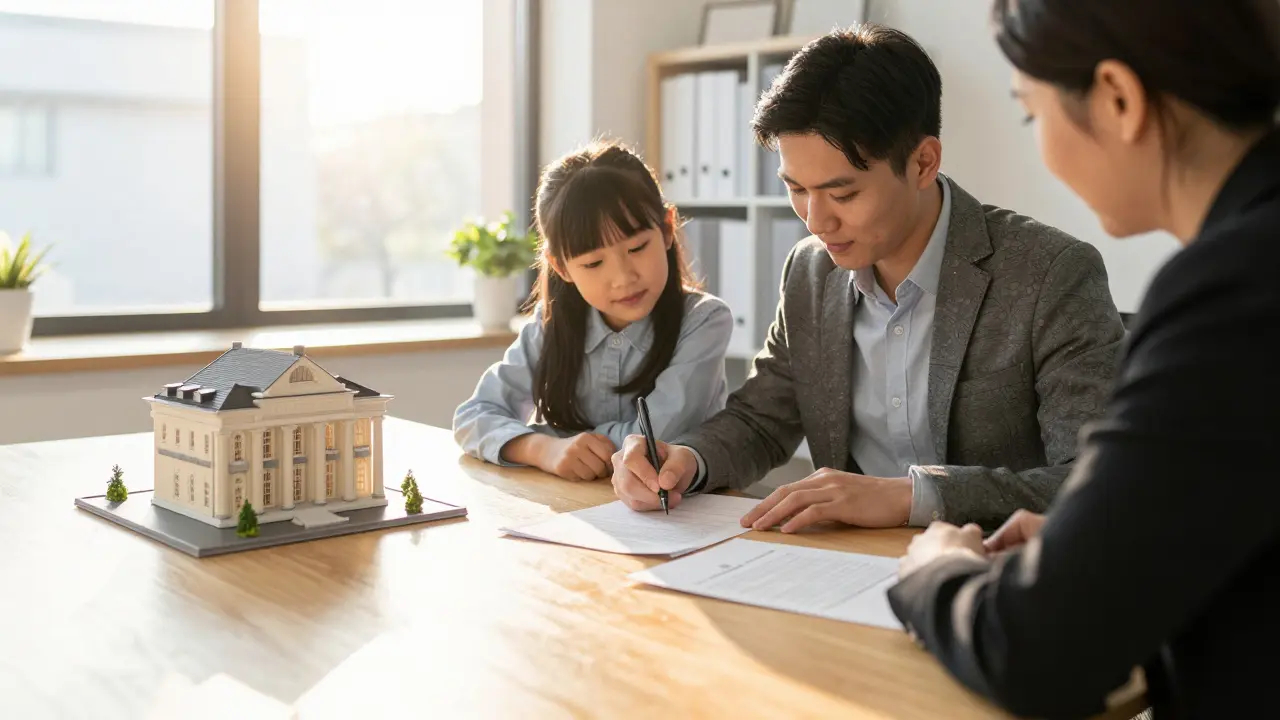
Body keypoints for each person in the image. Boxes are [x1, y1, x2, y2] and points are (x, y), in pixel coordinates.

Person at [889, 0, 1280, 716]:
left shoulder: (1232, 293)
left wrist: (936, 569)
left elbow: (1037, 650)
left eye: (1032, 113)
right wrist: (1107, 541)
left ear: (1119, 99)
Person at [610, 24, 1126, 531]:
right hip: (847, 572)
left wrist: (912, 498)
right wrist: (685, 459)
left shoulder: (1050, 274)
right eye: (796, 189)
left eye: (843, 194)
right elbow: (761, 420)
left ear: (923, 163)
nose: (815, 221)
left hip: (993, 575)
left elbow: (1097, 480)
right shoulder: (809, 271)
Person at [453, 140, 733, 482]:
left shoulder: (704, 321)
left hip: (683, 514)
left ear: (667, 229)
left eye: (637, 247)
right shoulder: (549, 326)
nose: (623, 278)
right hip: (580, 509)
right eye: (594, 262)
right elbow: (473, 417)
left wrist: (561, 439)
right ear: (563, 268)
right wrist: (544, 450)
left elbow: (657, 438)